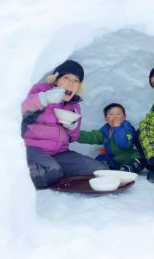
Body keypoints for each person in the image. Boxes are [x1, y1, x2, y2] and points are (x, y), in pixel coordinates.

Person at [21, 60, 105, 189]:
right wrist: (45, 98)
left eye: (76, 80)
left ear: (79, 87)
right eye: (66, 78)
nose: (71, 83)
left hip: (60, 153)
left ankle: (55, 173)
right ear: (56, 80)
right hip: (33, 150)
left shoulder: (74, 106)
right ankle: (38, 173)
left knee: (98, 170)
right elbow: (22, 108)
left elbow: (73, 137)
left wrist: (72, 127)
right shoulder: (41, 91)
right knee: (51, 171)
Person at [77, 103, 144, 173]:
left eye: (118, 114)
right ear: (106, 118)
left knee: (137, 157)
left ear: (124, 117)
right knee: (101, 158)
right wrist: (74, 134)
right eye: (111, 114)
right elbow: (91, 137)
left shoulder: (127, 128)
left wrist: (117, 128)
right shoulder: (105, 131)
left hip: (128, 157)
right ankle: (106, 169)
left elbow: (124, 144)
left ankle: (128, 169)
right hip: (113, 159)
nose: (115, 117)